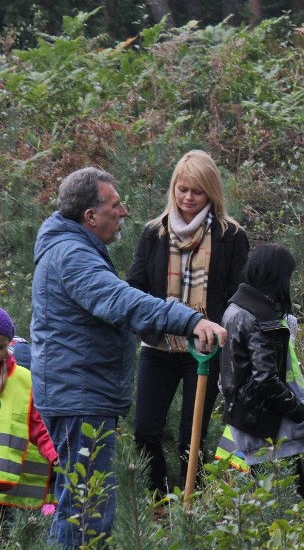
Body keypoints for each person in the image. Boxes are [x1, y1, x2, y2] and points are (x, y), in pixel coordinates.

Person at [30, 167, 227, 548]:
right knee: (88, 510)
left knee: (83, 503)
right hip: (78, 398)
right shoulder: (72, 256)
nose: (123, 212)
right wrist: (190, 320)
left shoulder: (72, 248)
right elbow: (122, 301)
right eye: (116, 205)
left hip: (79, 394)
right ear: (90, 216)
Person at [127, 149, 249, 497]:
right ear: (173, 189)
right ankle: (160, 499)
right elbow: (134, 286)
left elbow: (238, 291)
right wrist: (144, 325)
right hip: (158, 346)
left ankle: (193, 503)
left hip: (204, 351)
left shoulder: (231, 236)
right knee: (145, 429)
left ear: (210, 191)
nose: (188, 197)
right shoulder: (154, 233)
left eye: (197, 191)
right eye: (182, 189)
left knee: (189, 436)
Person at [219, 244, 304, 496]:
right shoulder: (258, 317)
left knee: (266, 501)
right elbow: (266, 379)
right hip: (269, 427)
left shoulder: (235, 309)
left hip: (253, 422)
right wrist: (298, 412)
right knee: (292, 502)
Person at [0, 308, 58, 510]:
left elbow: (39, 428)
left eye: (1, 347)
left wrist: (56, 455)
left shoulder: (24, 381)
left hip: (7, 486)